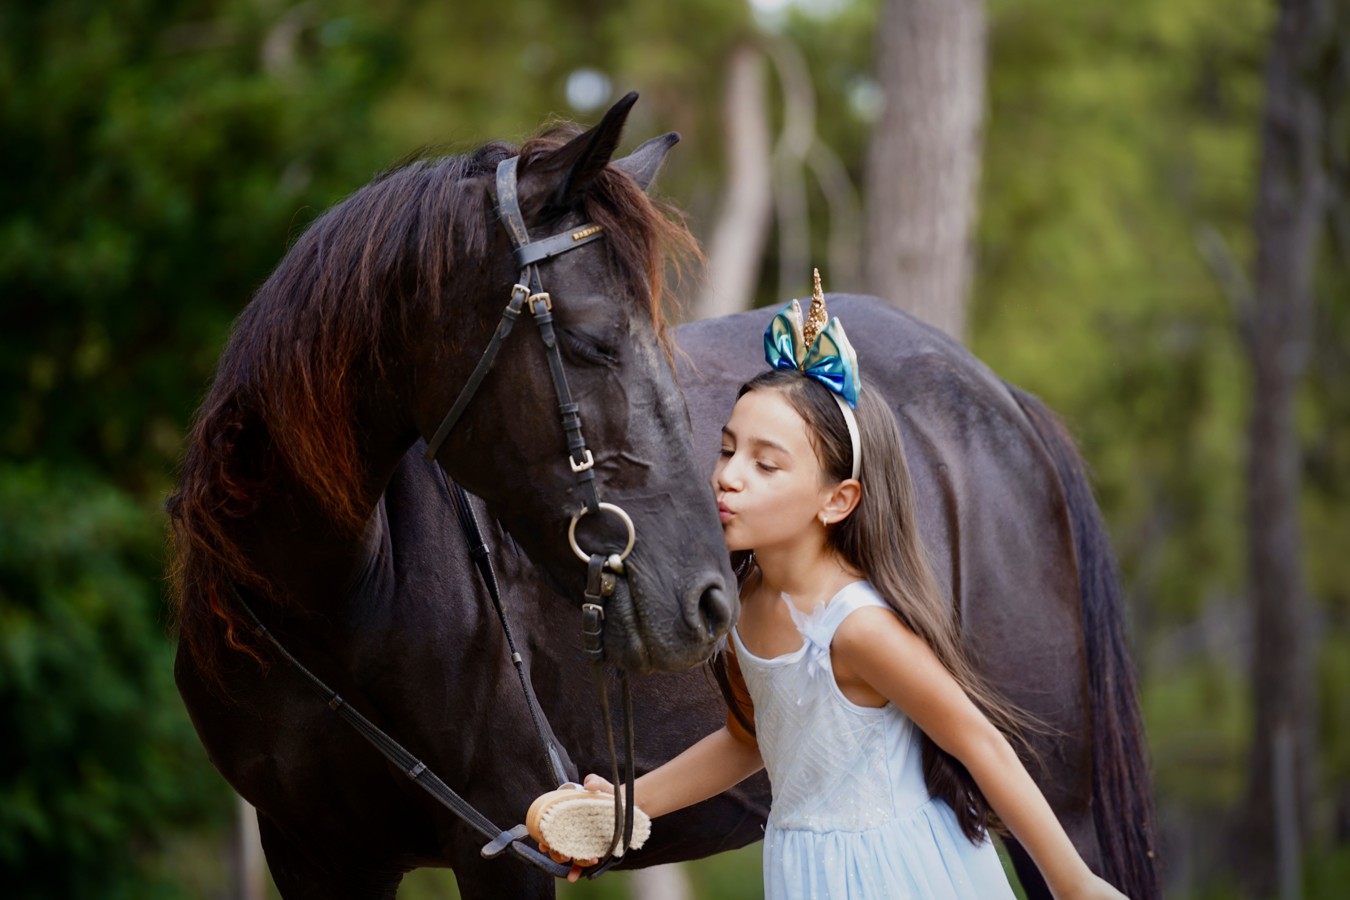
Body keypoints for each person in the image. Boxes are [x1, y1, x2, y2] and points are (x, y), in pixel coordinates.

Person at [532, 272, 1129, 899]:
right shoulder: (749, 603)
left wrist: (1072, 883)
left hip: (896, 874)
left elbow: (979, 742)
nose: (729, 478)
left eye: (765, 464)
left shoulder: (857, 629)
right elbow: (750, 739)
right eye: (727, 450)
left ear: (837, 500)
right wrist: (630, 805)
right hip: (804, 874)